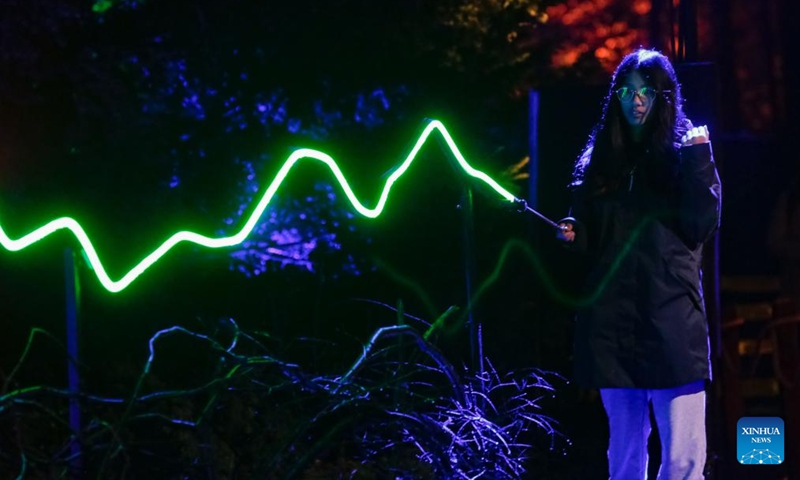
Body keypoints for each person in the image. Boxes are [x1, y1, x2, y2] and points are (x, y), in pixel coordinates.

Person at [555, 48, 722, 479]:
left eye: (647, 91)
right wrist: (573, 230)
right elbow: (589, 241)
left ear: (664, 97)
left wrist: (700, 159)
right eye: (628, 92)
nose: (637, 101)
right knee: (624, 459)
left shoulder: (685, 152)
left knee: (683, 460)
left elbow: (702, 224)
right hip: (613, 325)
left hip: (671, 323)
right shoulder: (600, 161)